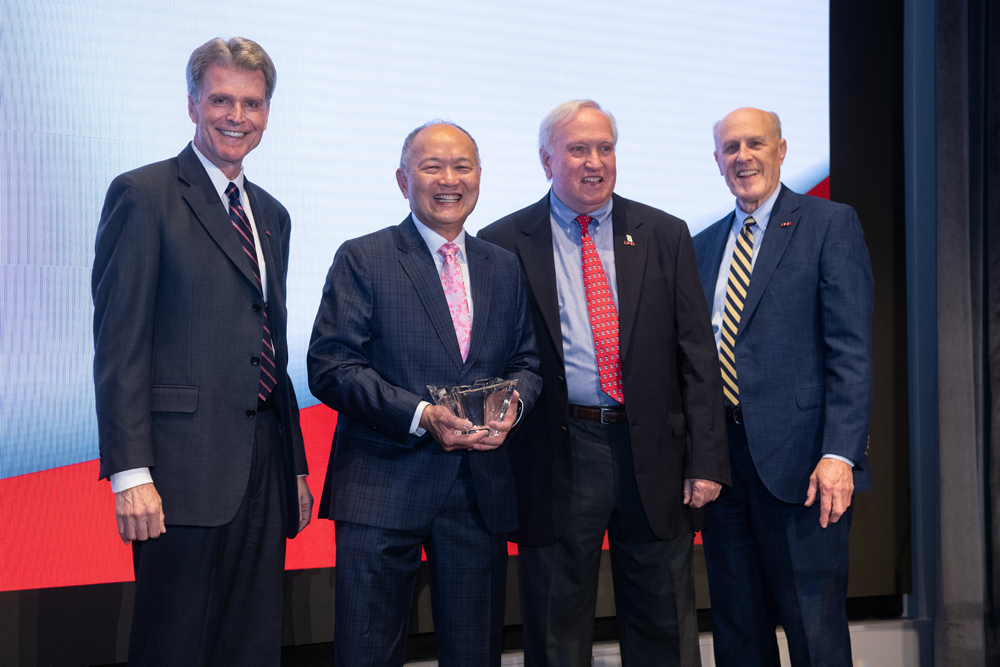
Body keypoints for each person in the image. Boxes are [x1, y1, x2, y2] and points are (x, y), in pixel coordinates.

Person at [478, 100, 730, 667]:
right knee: (557, 628)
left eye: (605, 148)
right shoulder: (502, 241)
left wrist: (708, 459)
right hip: (560, 449)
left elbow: (696, 354)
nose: (595, 162)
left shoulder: (664, 233)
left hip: (655, 453)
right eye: (578, 149)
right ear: (547, 161)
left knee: (665, 623)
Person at [92, 37, 312, 666]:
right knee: (174, 647)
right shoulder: (142, 195)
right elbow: (119, 345)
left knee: (252, 645)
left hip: (263, 471)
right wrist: (131, 474)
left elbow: (269, 341)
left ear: (268, 112)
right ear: (192, 104)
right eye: (221, 99)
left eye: (252, 102)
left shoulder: (272, 214)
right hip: (179, 476)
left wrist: (293, 463)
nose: (236, 116)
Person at [307, 121, 542, 667]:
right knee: (367, 652)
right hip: (381, 486)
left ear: (479, 177)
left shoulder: (501, 266)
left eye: (462, 166)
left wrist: (511, 408)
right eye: (432, 166)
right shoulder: (364, 257)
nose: (448, 179)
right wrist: (419, 414)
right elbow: (331, 364)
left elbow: (526, 363)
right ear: (402, 179)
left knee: (475, 653)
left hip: (477, 494)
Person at [692, 107, 874, 667]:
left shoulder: (829, 223)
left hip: (803, 469)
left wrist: (839, 453)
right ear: (717, 161)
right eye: (730, 148)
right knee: (738, 631)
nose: (743, 157)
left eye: (755, 144)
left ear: (781, 149)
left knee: (814, 634)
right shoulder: (701, 244)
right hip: (724, 469)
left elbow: (851, 349)